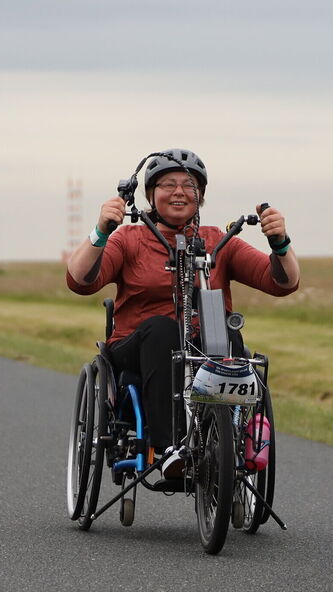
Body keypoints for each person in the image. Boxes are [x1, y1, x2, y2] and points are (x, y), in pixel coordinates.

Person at [66, 149, 301, 478]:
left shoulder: (218, 241)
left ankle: (233, 438)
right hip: (138, 346)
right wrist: (101, 231)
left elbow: (283, 283)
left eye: (189, 185)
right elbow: (79, 281)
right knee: (163, 330)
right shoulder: (130, 239)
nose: (179, 191)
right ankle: (170, 449)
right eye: (167, 184)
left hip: (203, 346)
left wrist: (280, 243)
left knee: (228, 336)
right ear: (150, 194)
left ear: (200, 195)